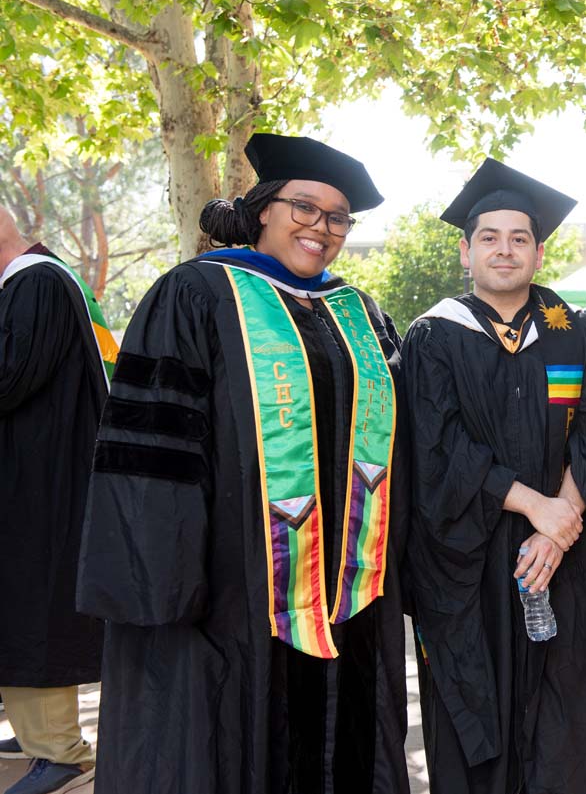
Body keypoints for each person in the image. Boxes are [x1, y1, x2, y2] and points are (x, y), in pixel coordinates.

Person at [76, 134, 411, 794]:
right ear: (264, 209)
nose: (321, 227)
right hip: (235, 589)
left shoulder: (359, 312)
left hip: (347, 593)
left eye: (337, 217)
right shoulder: (196, 295)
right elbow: (153, 446)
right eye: (305, 208)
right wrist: (169, 584)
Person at [402, 158, 586, 794]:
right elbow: (435, 444)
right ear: (465, 250)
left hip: (561, 560)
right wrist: (532, 507)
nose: (504, 250)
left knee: (570, 718)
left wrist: (559, 523)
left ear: (540, 251)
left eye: (519, 238)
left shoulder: (577, 334)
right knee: (478, 714)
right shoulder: (433, 337)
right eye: (489, 237)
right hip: (470, 561)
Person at [0, 207, 113, 794]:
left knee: (29, 604)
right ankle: (33, 730)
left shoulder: (37, 282)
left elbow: (7, 376)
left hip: (40, 486)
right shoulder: (40, 279)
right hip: (36, 477)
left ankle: (60, 751)